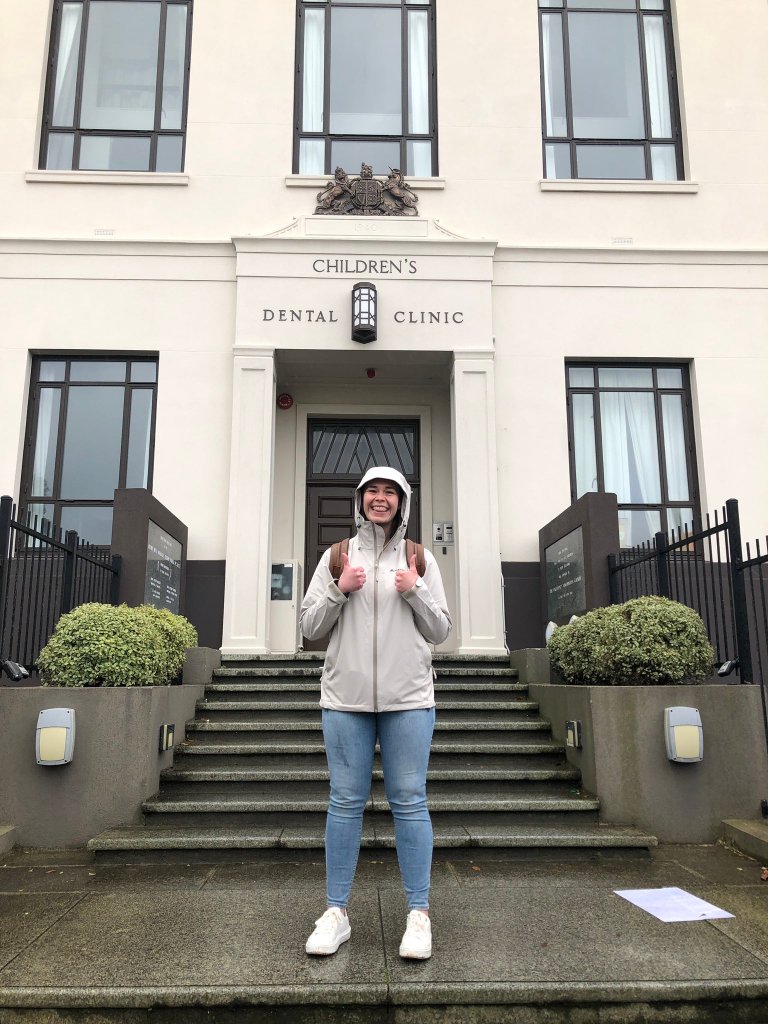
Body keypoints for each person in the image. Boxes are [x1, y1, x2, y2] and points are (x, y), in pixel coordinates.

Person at [300, 466, 451, 959]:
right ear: (360, 500)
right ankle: (336, 912)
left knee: (409, 800)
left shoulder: (420, 558)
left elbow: (441, 630)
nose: (380, 499)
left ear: (403, 501)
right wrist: (338, 588)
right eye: (372, 492)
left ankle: (419, 914)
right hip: (346, 699)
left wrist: (414, 589)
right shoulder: (335, 557)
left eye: (390, 492)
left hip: (408, 698)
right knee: (344, 802)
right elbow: (309, 627)